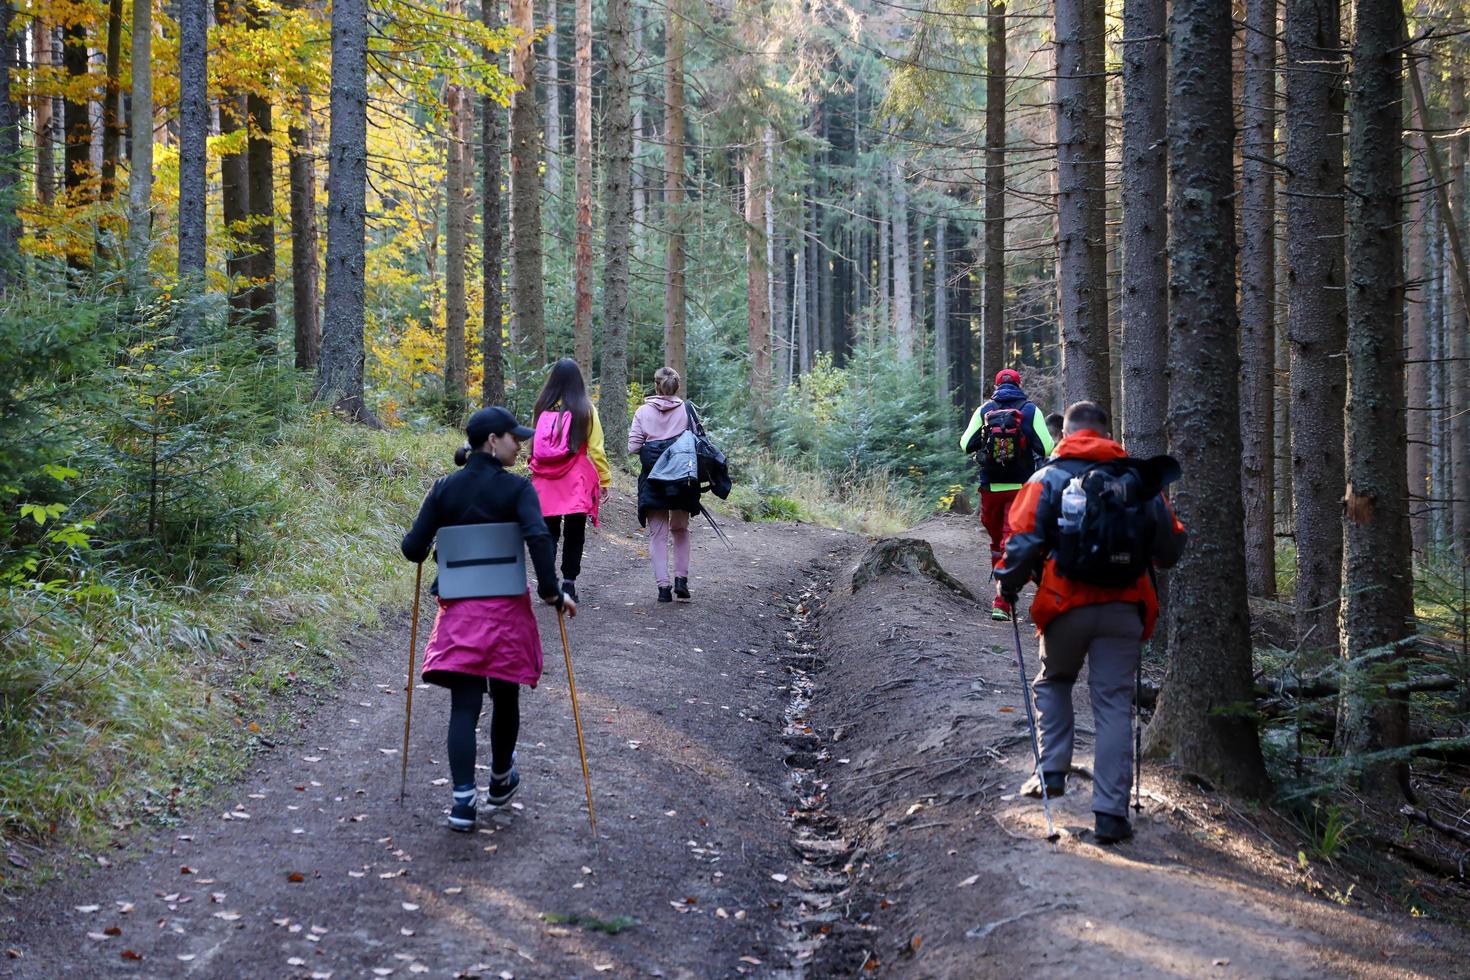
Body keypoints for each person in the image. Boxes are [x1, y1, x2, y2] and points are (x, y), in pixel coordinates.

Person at [994, 401, 1186, 844]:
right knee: (1114, 703)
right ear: (1107, 432)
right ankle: (1110, 814)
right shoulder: (1139, 482)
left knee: (1055, 681)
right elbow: (1171, 550)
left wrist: (1007, 588)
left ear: (1067, 434)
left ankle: (1051, 773)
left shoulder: (1047, 478)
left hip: (1064, 605)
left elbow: (1021, 543)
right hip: (1125, 607)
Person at [401, 406, 576, 832]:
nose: (521, 443)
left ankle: (463, 803)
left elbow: (412, 549)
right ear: (492, 441)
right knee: (506, 696)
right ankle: (500, 779)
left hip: (460, 613)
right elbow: (537, 537)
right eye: (515, 437)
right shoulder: (517, 490)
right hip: (505, 616)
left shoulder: (445, 488)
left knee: (464, 704)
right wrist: (553, 592)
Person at [959, 368, 1055, 620]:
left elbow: (964, 444)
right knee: (1009, 540)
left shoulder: (984, 410)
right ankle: (1003, 598)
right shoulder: (1030, 410)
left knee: (995, 542)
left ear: (996, 385)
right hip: (1021, 488)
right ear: (1019, 384)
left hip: (991, 486)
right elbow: (1046, 447)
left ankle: (1001, 598)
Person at [528, 358, 611, 603]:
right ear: (578, 381)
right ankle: (569, 584)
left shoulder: (542, 406)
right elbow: (596, 449)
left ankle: (547, 580)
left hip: (544, 478)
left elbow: (534, 443)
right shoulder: (585, 408)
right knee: (575, 533)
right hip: (576, 478)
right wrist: (604, 479)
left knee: (548, 531)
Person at [628, 366, 698, 603]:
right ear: (676, 386)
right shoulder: (687, 411)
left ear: (656, 386)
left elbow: (633, 447)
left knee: (658, 535)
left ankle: (663, 588)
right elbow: (698, 441)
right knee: (680, 530)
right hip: (681, 479)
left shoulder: (642, 412)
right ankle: (681, 580)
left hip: (654, 479)